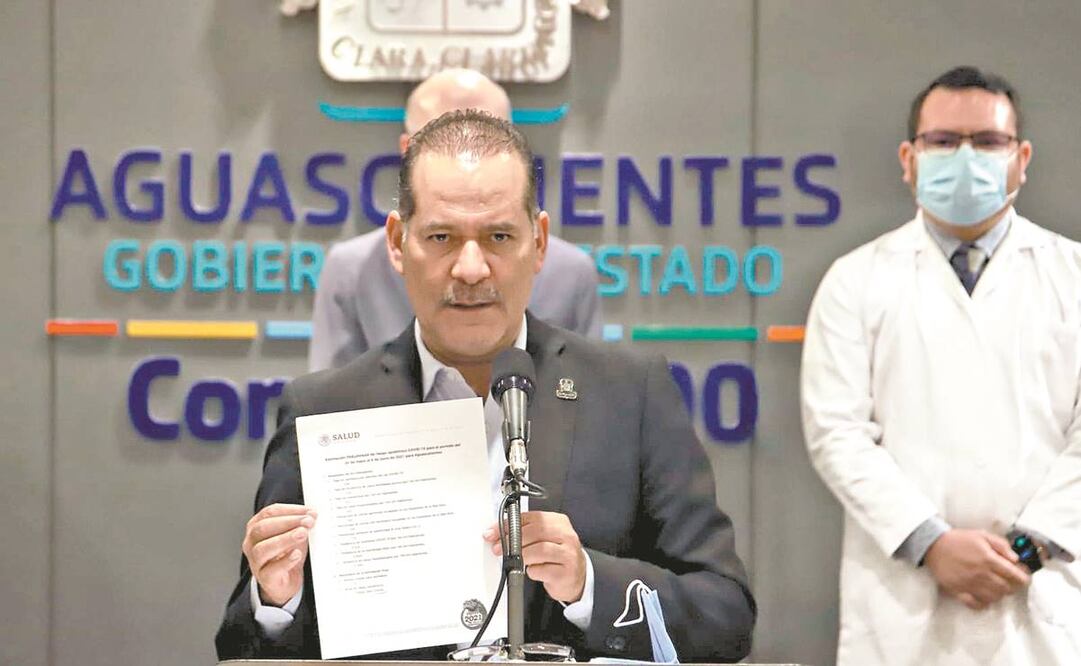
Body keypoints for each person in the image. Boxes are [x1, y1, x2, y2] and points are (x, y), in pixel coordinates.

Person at [217, 110, 755, 661]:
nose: (471, 269)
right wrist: (275, 599)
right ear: (398, 243)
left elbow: (726, 616)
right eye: (442, 237)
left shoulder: (630, 395)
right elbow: (240, 645)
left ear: (539, 242)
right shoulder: (323, 410)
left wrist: (588, 583)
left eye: (499, 236)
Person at [802, 66, 1081, 665]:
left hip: (1043, 605)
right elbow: (836, 434)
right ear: (909, 159)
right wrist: (932, 544)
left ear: (1022, 159)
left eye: (988, 141)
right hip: (904, 610)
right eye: (944, 141)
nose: (966, 157)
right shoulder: (856, 281)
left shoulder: (1072, 276)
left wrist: (1026, 551)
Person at [309, 68, 601, 372]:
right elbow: (333, 397)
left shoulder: (571, 274)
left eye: (484, 139)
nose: (471, 270)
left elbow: (586, 391)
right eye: (442, 140)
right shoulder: (350, 271)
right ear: (406, 151)